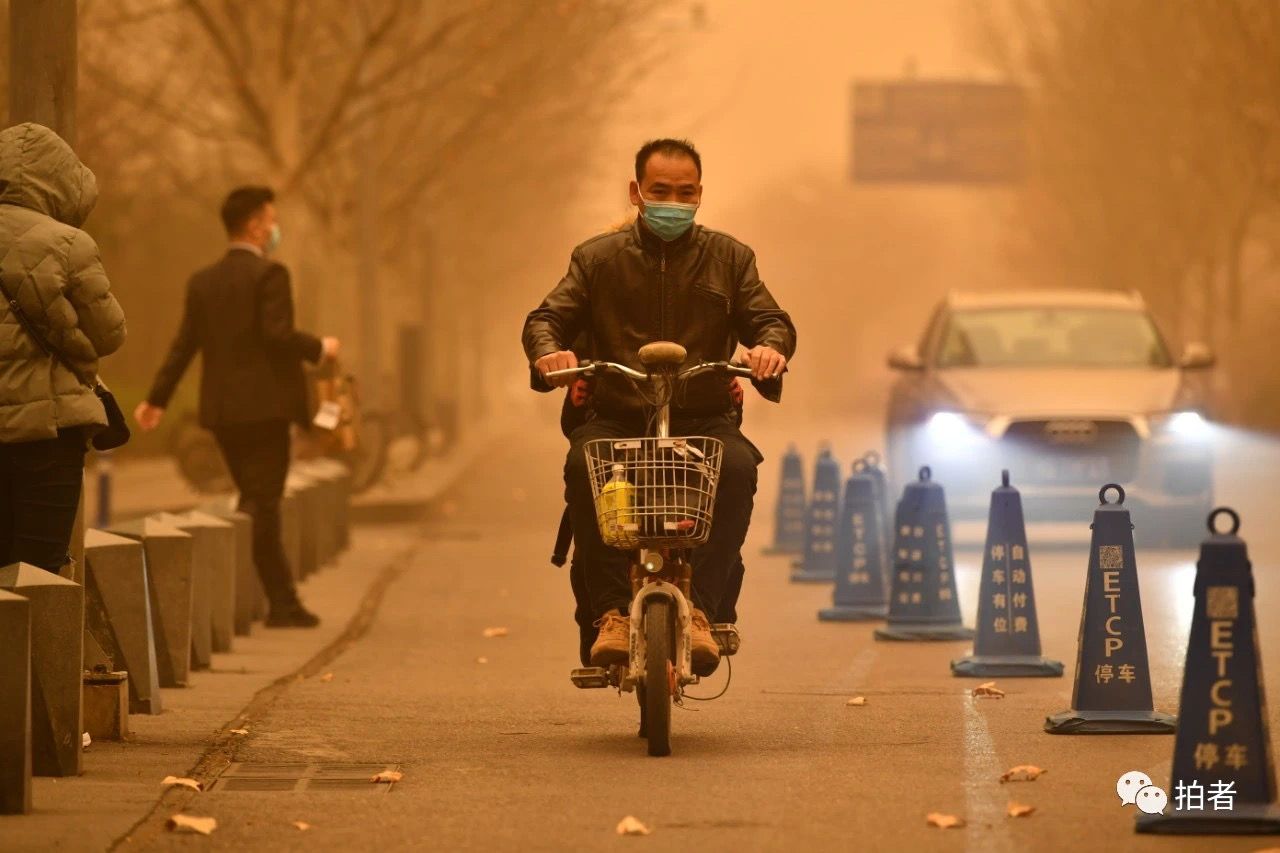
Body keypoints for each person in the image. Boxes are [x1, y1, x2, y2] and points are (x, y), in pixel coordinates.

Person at [523, 138, 796, 673]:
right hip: (615, 415)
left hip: (704, 418)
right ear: (637, 193)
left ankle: (705, 613)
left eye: (685, 191)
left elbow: (770, 319)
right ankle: (609, 615)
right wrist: (550, 353)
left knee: (737, 468)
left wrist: (769, 348)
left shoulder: (731, 259)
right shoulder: (596, 259)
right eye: (661, 190)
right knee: (584, 466)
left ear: (700, 195)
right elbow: (546, 318)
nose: (674, 200)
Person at [135, 186, 339, 627]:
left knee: (254, 497)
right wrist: (319, 347)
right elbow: (278, 335)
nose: (274, 228)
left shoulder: (203, 282)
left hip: (224, 414)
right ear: (253, 225)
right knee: (263, 504)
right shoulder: (271, 276)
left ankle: (269, 598)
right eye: (270, 219)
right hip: (266, 412)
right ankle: (279, 603)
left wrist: (156, 400)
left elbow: (184, 345)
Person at [0, 123, 127, 573]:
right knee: (38, 571)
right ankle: (40, 647)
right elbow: (109, 334)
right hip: (47, 436)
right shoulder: (69, 244)